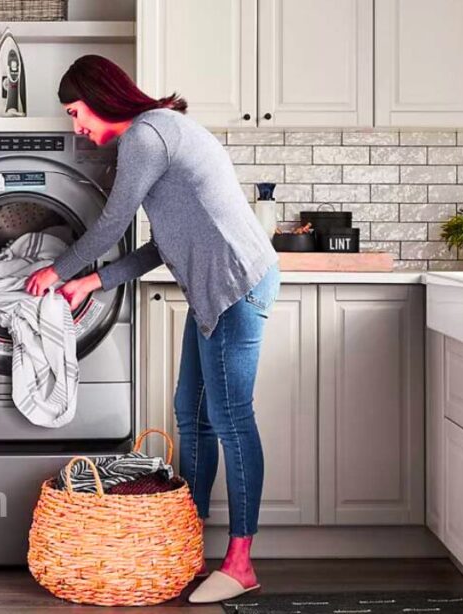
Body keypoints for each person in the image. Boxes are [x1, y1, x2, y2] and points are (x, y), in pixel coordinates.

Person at [25, 55, 280, 604]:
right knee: (191, 410)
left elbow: (112, 225)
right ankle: (188, 541)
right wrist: (92, 282)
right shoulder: (159, 131)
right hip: (214, 286)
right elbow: (162, 245)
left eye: (75, 112)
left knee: (230, 418)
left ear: (100, 97)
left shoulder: (146, 136)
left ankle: (240, 562)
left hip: (235, 283)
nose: (76, 127)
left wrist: (58, 271)